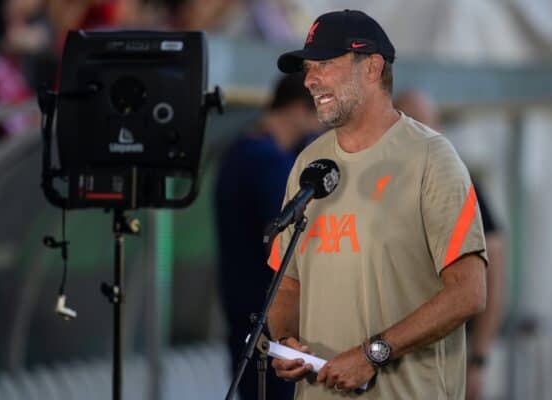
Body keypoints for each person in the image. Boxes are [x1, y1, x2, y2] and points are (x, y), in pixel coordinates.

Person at [267, 10, 488, 400]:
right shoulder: (308, 162)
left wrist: (374, 353)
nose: (309, 79)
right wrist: (285, 341)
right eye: (307, 67)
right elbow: (286, 286)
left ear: (371, 68)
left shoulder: (431, 158)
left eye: (324, 64)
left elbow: (468, 293)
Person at [214, 72, 321, 400]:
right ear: (300, 109)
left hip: (245, 317)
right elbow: (292, 244)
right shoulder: (268, 162)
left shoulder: (239, 151)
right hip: (273, 324)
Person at [394, 89, 505, 400]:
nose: (415, 135)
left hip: (443, 359)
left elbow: (491, 271)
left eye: (423, 126)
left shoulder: (459, 182)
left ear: (439, 130)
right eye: (406, 125)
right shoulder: (379, 184)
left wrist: (479, 359)